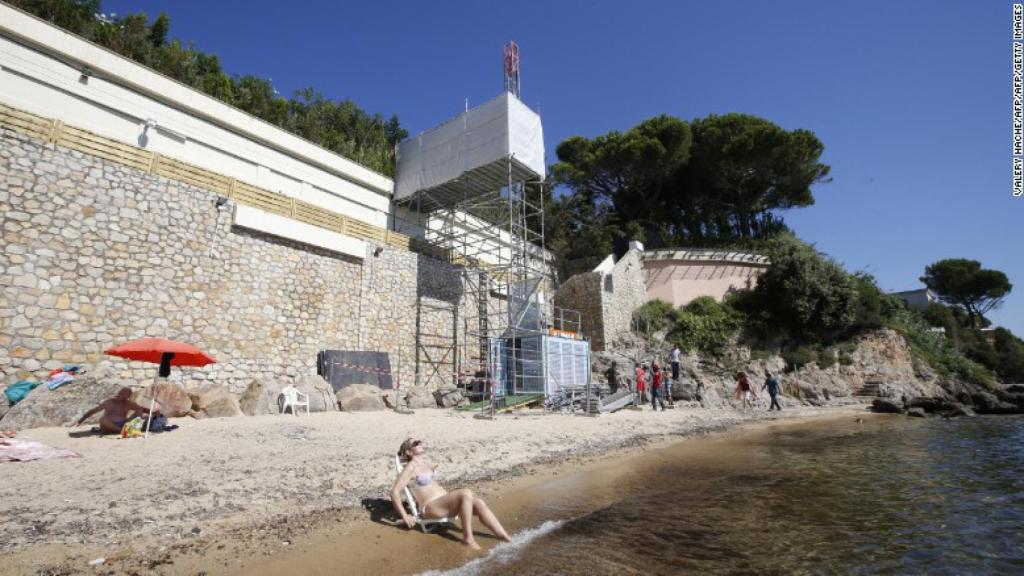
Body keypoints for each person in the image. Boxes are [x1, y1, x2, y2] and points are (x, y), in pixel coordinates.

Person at [390, 438, 512, 550]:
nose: (420, 443)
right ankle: (468, 539)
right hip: (431, 507)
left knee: (479, 503)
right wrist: (405, 516)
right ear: (409, 452)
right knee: (465, 493)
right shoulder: (410, 468)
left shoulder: (425, 464)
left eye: (420, 441)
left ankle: (505, 537)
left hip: (445, 503)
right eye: (416, 443)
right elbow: (394, 492)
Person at [75, 387, 151, 433]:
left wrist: (152, 412)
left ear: (128, 396)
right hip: (109, 426)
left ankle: (126, 429)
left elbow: (141, 409)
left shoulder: (129, 403)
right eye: (122, 393)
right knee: (103, 420)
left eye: (126, 394)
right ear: (119, 393)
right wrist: (80, 421)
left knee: (139, 410)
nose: (124, 395)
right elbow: (93, 411)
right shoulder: (109, 402)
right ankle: (121, 431)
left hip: (123, 424)